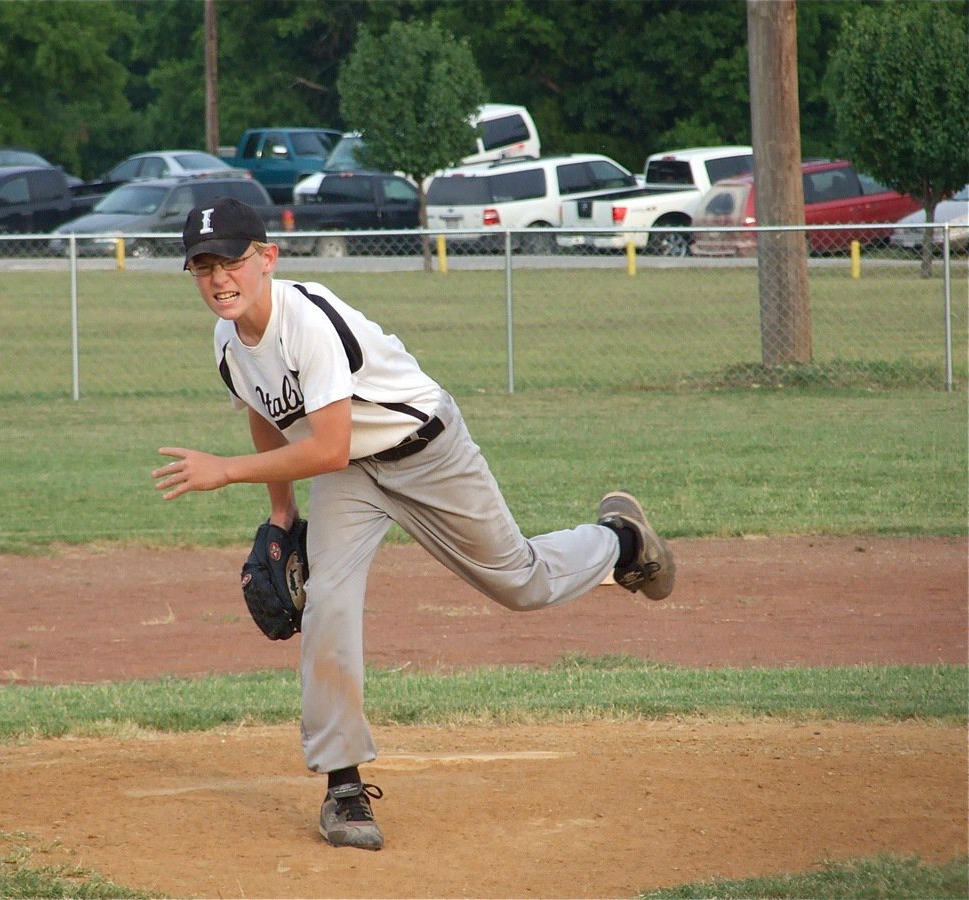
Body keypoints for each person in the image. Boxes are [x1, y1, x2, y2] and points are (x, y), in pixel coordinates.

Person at [153, 197, 675, 851]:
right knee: (327, 606)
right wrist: (282, 516)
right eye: (202, 266)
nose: (218, 278)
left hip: (426, 450)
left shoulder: (306, 323)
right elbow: (267, 413)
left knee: (519, 581)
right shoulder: (228, 342)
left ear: (266, 258)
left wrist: (225, 472)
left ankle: (621, 541)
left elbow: (329, 444)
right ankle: (343, 788)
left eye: (229, 260)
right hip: (350, 476)